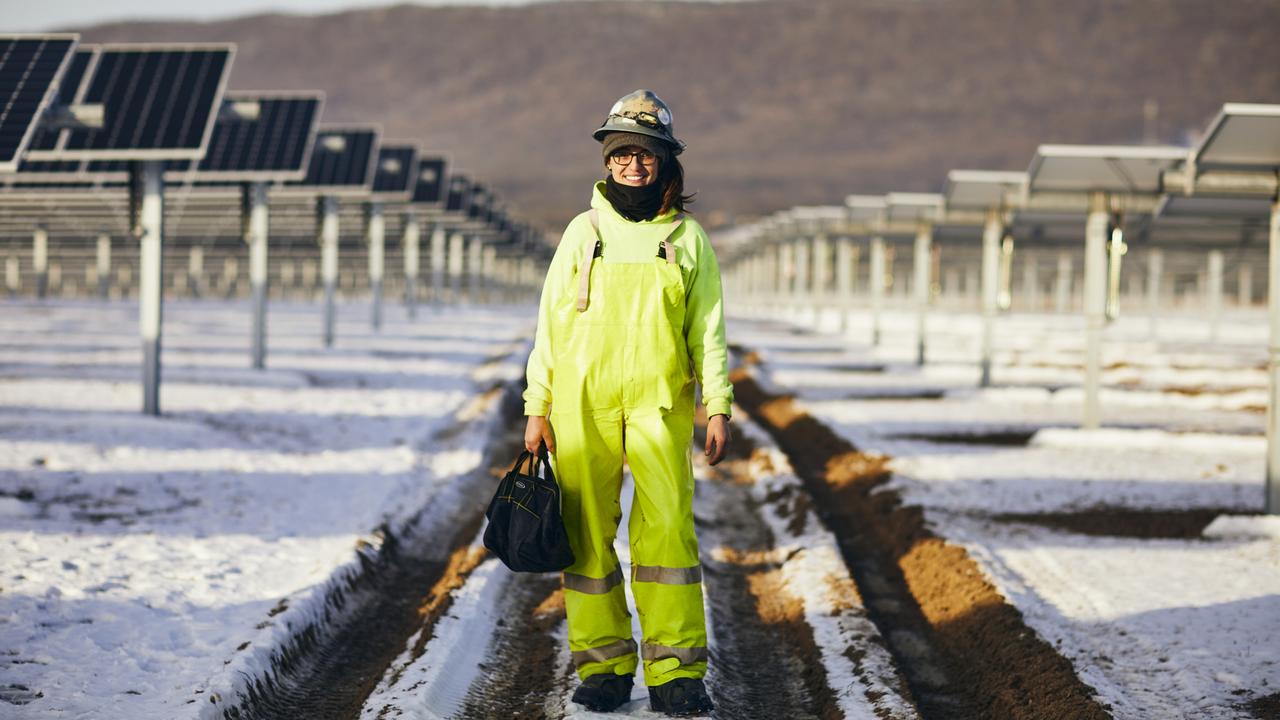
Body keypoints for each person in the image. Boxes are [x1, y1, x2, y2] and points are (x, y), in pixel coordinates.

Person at [522, 89, 732, 717]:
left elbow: (709, 329)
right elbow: (549, 328)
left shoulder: (688, 239)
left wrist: (716, 403)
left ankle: (676, 670)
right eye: (622, 155)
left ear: (666, 163)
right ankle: (605, 665)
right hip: (580, 406)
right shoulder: (581, 234)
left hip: (661, 406)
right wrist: (538, 406)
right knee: (587, 537)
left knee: (667, 531)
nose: (633, 165)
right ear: (607, 162)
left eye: (645, 155)